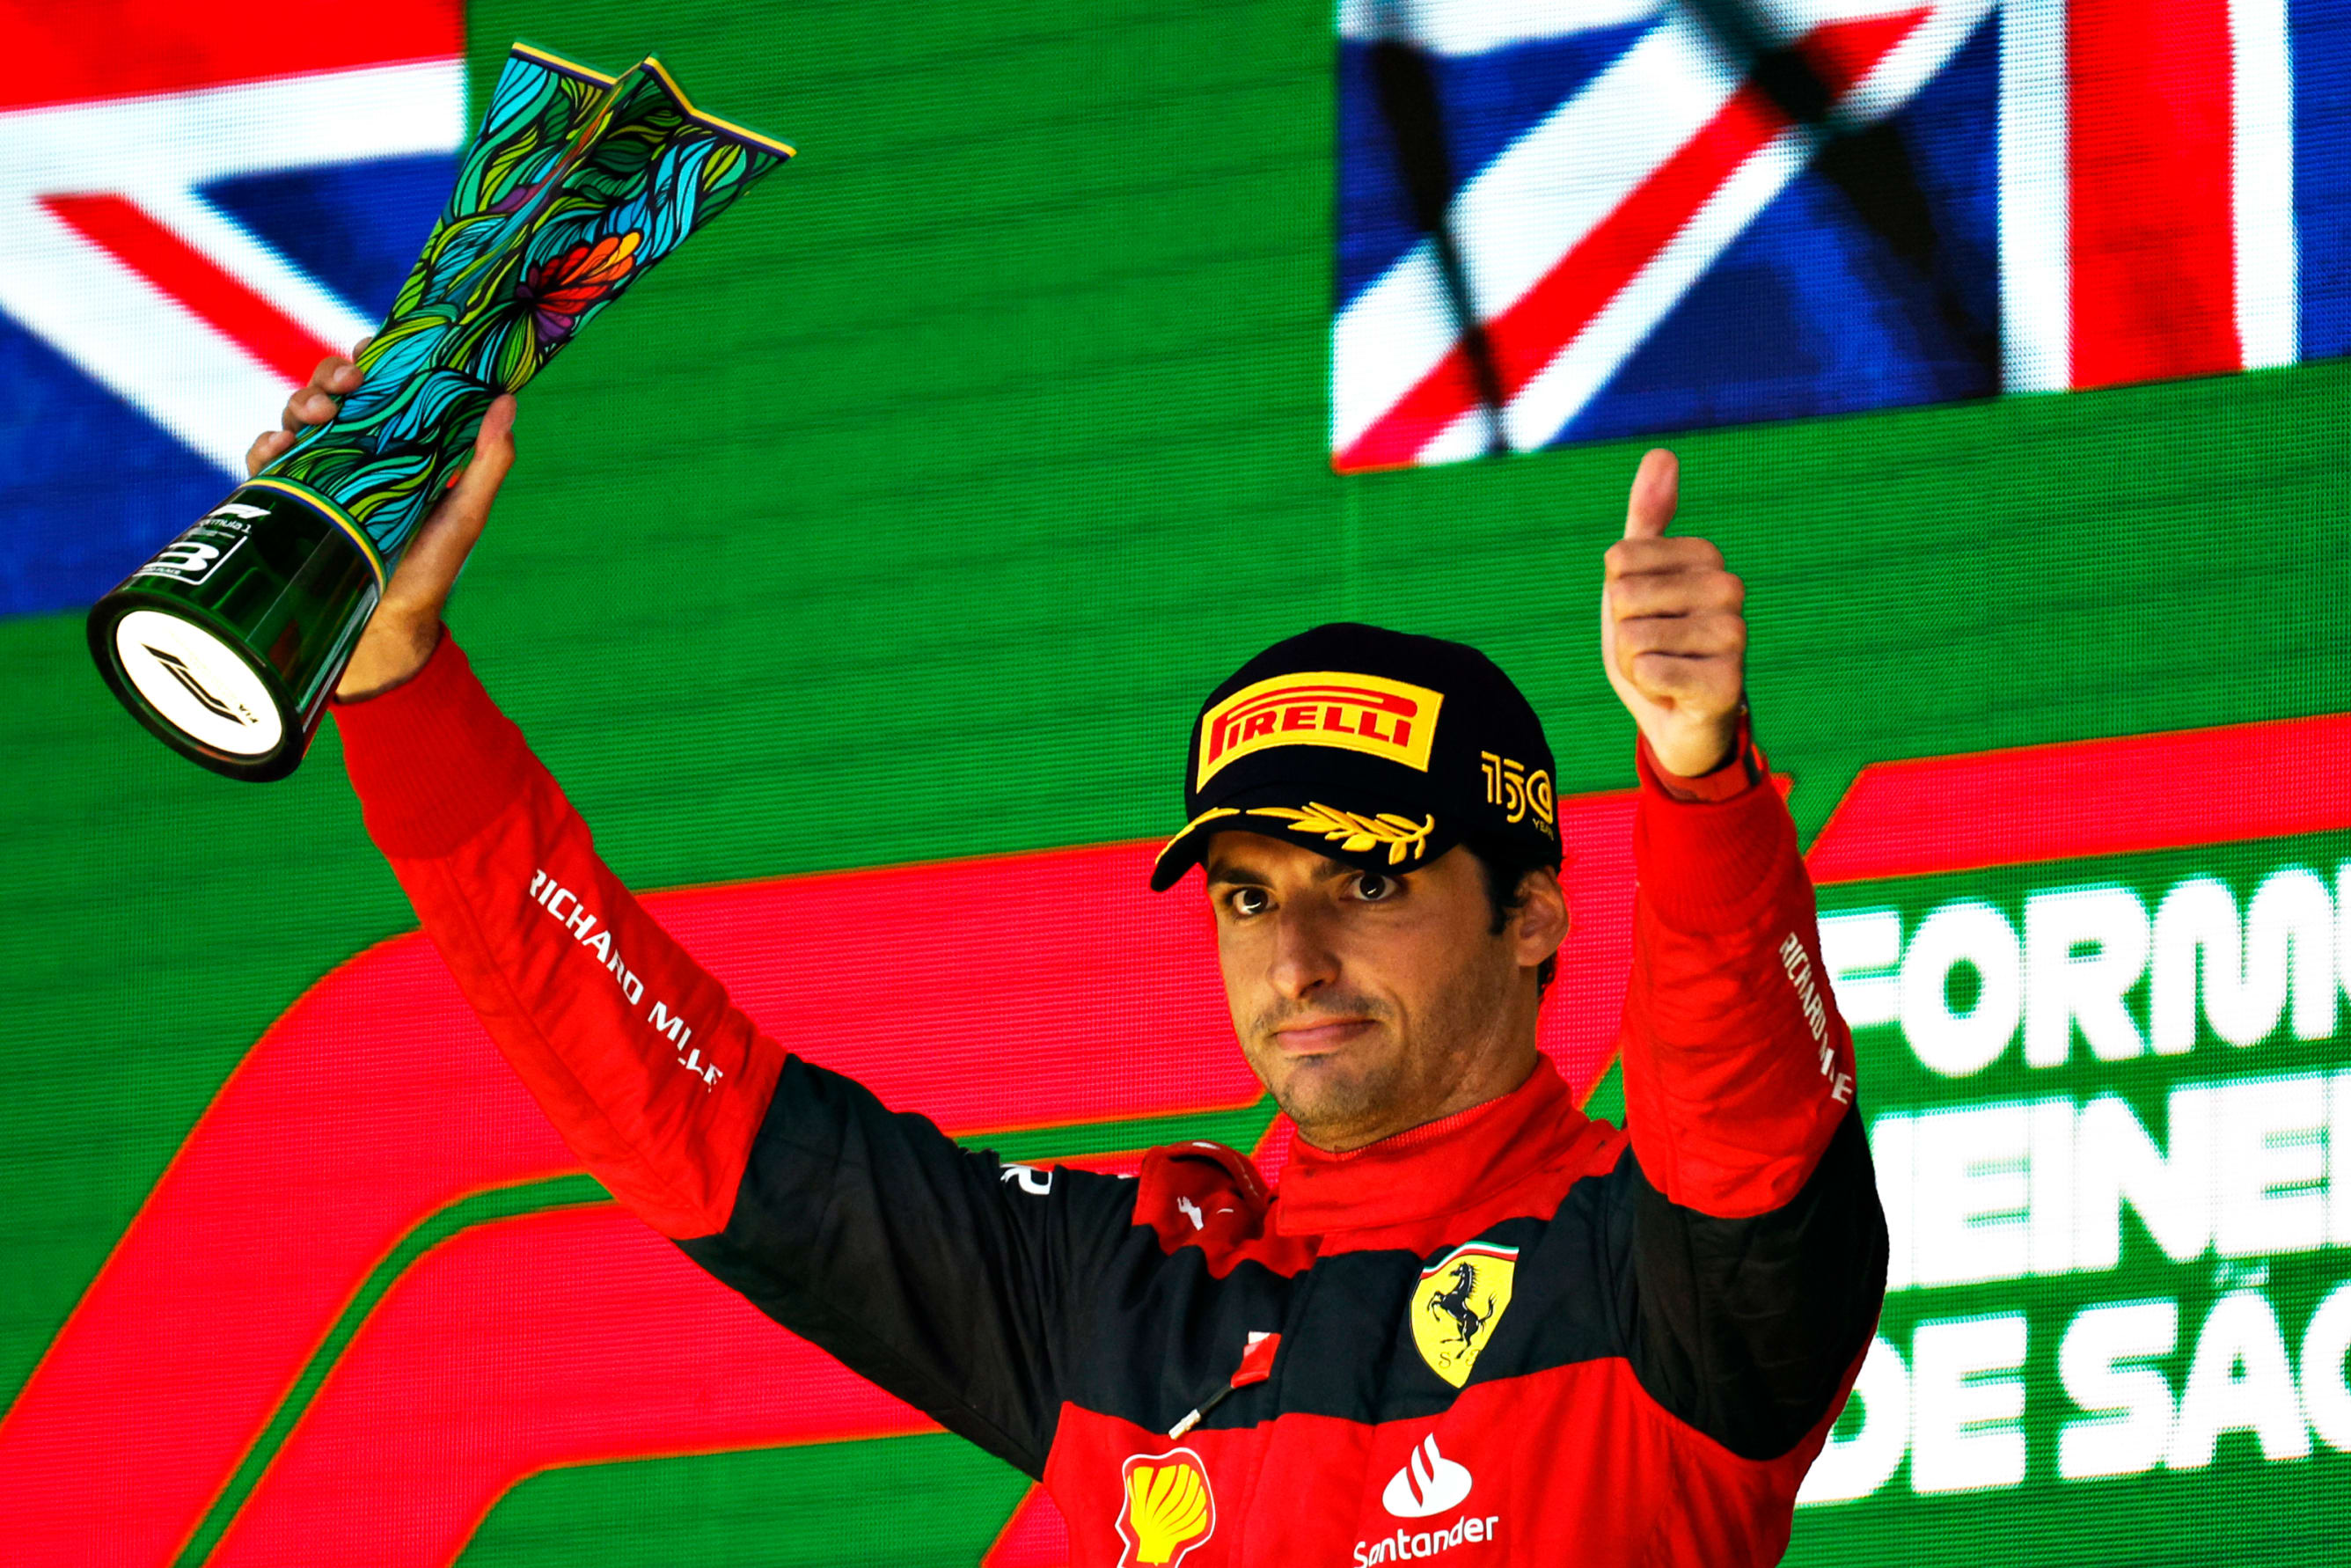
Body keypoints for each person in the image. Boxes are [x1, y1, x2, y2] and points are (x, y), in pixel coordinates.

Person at [253, 352, 1886, 1566]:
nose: (1296, 958)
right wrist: (395, 673)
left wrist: (1698, 777)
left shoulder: (1654, 1280)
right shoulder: (1131, 1290)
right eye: (1246, 897)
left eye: (1366, 881)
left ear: (1532, 912)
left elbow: (1744, 1120)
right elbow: (692, 1113)